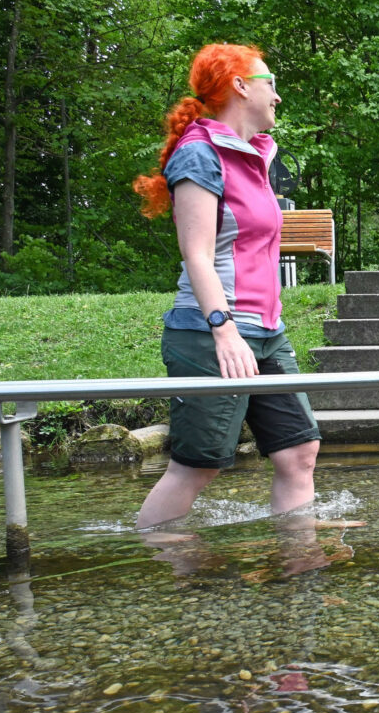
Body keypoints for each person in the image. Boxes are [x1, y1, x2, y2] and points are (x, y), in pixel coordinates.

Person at [132, 43, 322, 529]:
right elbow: (196, 253)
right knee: (198, 465)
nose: (277, 96)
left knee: (299, 451)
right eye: (270, 82)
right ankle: (157, 559)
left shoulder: (254, 156)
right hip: (209, 331)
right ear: (241, 86)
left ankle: (297, 555)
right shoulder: (199, 153)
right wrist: (223, 328)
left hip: (266, 331)